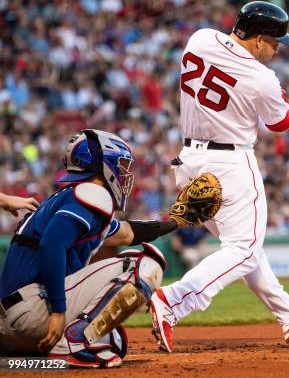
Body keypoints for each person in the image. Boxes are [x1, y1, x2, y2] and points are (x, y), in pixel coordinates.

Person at [149, 1, 289, 353]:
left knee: (245, 248)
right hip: (230, 164)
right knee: (244, 248)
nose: (275, 50)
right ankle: (174, 300)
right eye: (273, 43)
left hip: (188, 162)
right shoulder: (261, 76)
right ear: (257, 39)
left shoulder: (200, 39)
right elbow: (279, 122)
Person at [0, 129, 183, 368]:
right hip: (32, 311)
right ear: (102, 165)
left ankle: (42, 347)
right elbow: (51, 245)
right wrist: (58, 311)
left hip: (14, 322)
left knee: (113, 341)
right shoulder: (93, 194)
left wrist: (177, 222)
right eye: (121, 164)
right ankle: (70, 345)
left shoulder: (69, 199)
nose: (125, 172)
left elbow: (127, 233)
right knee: (145, 265)